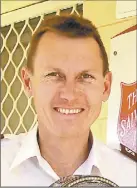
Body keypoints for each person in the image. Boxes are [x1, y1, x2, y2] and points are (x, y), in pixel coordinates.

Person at [1, 14, 136, 186]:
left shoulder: (131, 175)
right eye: (54, 75)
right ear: (28, 82)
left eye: (85, 76)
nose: (70, 95)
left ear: (106, 87)